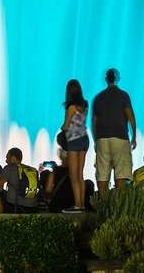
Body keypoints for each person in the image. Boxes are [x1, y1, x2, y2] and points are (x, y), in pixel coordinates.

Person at [91, 68, 137, 194]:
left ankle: (102, 201)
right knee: (121, 172)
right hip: (120, 138)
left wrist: (96, 140)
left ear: (106, 79)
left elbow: (94, 122)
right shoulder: (123, 95)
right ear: (118, 79)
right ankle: (118, 201)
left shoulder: (98, 98)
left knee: (102, 173)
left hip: (102, 139)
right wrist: (134, 136)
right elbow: (130, 116)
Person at [57, 79, 90, 211]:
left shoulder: (71, 108)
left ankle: (77, 205)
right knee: (80, 175)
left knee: (73, 175)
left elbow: (66, 125)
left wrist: (62, 129)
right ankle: (82, 204)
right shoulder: (85, 106)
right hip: (84, 139)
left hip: (73, 140)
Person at [4, 148, 42, 213]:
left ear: (13, 159)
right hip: (32, 206)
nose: (6, 161)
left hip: (14, 206)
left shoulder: (8, 168)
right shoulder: (33, 170)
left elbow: (0, 186)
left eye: (7, 158)